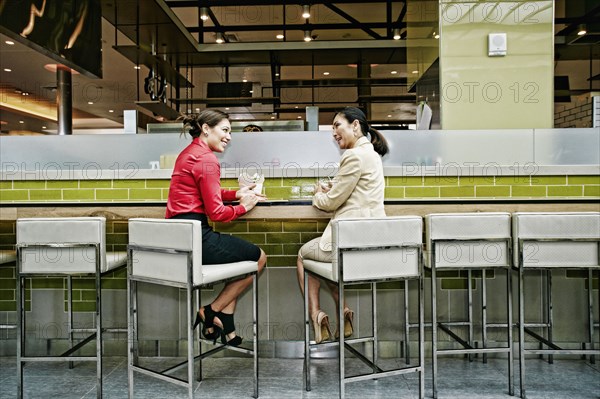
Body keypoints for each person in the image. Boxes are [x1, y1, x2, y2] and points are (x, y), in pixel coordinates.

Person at [166, 109, 267, 346]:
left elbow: (207, 192)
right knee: (259, 258)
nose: (229, 137)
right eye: (225, 130)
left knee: (239, 264)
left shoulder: (190, 152)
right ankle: (210, 311)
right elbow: (217, 213)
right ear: (206, 128)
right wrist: (245, 206)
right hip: (196, 238)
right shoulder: (206, 158)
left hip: (182, 236)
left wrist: (236, 193)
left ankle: (226, 323)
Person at [296, 106, 389, 343]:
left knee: (304, 257)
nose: (333, 132)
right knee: (324, 260)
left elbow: (330, 203)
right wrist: (333, 190)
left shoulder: (353, 155)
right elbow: (354, 192)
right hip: (370, 239)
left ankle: (315, 315)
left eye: (337, 125)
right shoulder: (372, 155)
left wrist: (318, 194)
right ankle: (343, 311)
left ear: (355, 125)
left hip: (351, 240)